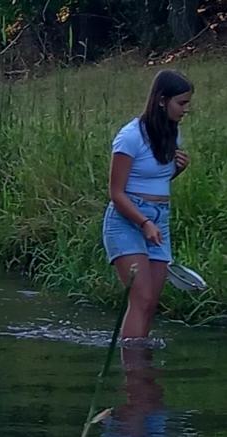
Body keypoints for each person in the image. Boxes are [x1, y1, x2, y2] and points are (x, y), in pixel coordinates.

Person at [103, 69, 192, 340]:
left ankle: (140, 363)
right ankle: (134, 367)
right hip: (127, 221)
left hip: (158, 219)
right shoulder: (130, 137)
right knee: (140, 299)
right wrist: (144, 222)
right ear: (162, 101)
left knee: (151, 302)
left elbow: (154, 182)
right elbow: (116, 193)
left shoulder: (171, 135)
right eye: (182, 103)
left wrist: (177, 171)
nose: (186, 109)